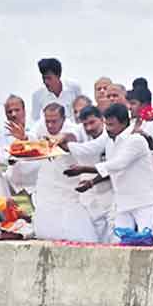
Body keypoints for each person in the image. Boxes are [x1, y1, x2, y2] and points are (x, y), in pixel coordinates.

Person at [66, 103, 153, 244]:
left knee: (146, 242)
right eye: (106, 124)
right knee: (118, 243)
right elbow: (109, 170)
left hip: (143, 200)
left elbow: (117, 165)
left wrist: (84, 169)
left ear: (123, 123)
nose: (107, 129)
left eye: (111, 125)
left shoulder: (136, 140)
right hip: (122, 201)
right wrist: (91, 183)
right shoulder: (110, 141)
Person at [29, 104, 100, 242]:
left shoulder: (72, 129)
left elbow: (70, 137)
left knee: (74, 231)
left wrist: (60, 139)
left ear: (63, 119)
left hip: (68, 186)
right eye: (47, 121)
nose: (50, 125)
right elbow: (31, 140)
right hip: (48, 182)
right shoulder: (40, 127)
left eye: (54, 121)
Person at [66, 105, 115, 243]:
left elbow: (111, 168)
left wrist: (90, 181)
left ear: (102, 120)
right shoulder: (86, 138)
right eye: (85, 124)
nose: (89, 128)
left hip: (112, 196)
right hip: (92, 198)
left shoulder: (108, 137)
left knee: (113, 239)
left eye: (92, 122)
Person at [31, 58, 82, 123]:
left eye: (49, 78)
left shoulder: (74, 87)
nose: (45, 82)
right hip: (51, 131)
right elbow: (34, 119)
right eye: (43, 78)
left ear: (58, 76)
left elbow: (83, 110)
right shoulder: (37, 95)